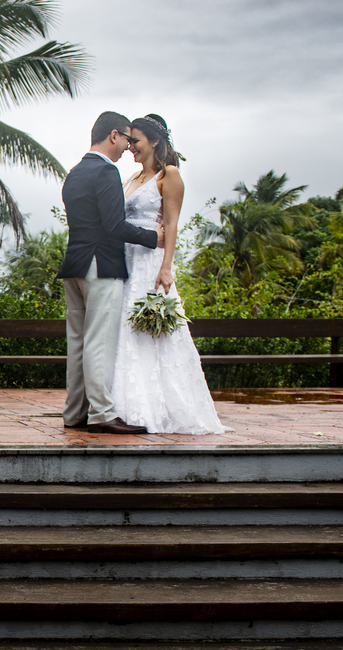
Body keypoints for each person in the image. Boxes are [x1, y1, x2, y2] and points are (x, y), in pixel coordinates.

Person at [110, 114, 227, 434]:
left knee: (150, 332)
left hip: (150, 262)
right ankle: (125, 406)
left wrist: (166, 267)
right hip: (127, 260)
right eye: (129, 141)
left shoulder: (169, 175)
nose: (130, 147)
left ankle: (159, 408)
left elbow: (172, 223)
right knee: (126, 331)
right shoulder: (133, 177)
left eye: (135, 141)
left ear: (154, 141)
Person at [57, 111, 163, 435]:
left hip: (74, 265)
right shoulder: (106, 171)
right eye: (127, 139)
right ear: (114, 135)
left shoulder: (74, 173)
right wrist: (153, 237)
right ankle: (102, 413)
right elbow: (114, 226)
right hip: (100, 265)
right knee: (99, 341)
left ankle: (74, 413)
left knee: (77, 343)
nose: (128, 146)